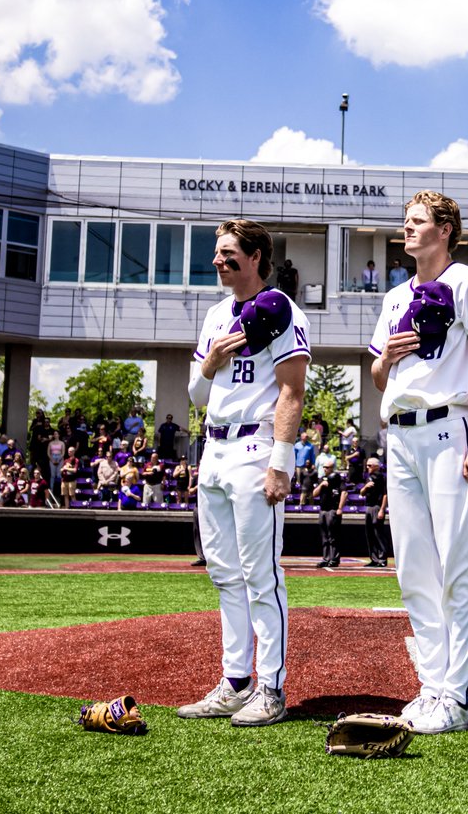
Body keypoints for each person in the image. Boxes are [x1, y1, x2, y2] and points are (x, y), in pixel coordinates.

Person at [369, 190, 468, 735]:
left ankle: (457, 696)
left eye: (418, 221)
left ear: (446, 229)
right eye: (405, 221)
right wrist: (387, 358)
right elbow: (381, 377)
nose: (407, 228)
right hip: (399, 435)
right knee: (413, 569)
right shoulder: (394, 297)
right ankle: (431, 686)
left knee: (458, 565)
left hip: (452, 429)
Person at [179, 218, 310, 729]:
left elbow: (292, 392)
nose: (219, 261)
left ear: (256, 256)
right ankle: (235, 682)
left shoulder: (284, 311)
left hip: (256, 447)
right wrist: (209, 362)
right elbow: (195, 394)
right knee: (224, 574)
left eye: (229, 253)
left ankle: (271, 687)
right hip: (214, 447)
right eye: (217, 253)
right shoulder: (214, 315)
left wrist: (281, 463)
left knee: (261, 576)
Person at [313, 460, 347, 567]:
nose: (325, 469)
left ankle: (334, 559)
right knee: (324, 536)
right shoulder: (321, 479)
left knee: (333, 536)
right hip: (323, 510)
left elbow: (344, 492)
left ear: (332, 468)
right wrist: (321, 485)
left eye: (327, 467)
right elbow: (314, 494)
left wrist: (340, 508)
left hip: (332, 509)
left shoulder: (337, 479)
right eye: (324, 467)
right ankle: (326, 558)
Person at [359, 457, 389, 567]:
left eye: (369, 465)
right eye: (367, 465)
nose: (367, 467)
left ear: (376, 466)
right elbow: (361, 493)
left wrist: (382, 509)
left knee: (378, 533)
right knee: (370, 534)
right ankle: (374, 558)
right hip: (368, 506)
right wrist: (366, 487)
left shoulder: (382, 478)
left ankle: (382, 559)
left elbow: (385, 494)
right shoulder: (368, 478)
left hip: (377, 507)